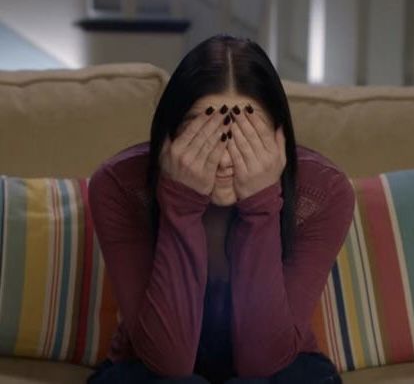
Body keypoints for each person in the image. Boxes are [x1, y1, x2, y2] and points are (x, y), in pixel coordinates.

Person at [86, 34, 355, 384]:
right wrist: (180, 202)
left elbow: (263, 361)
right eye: (204, 130)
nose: (225, 158)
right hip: (149, 372)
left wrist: (261, 204)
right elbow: (168, 363)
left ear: (279, 136)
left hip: (281, 371)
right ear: (170, 133)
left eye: (247, 134)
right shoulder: (118, 185)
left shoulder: (325, 193)